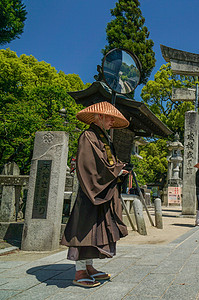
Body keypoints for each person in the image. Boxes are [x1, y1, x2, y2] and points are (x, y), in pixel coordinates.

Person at [61, 101, 130, 288]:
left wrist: (117, 170)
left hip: (103, 191)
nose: (112, 122)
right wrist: (115, 170)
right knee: (85, 229)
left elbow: (107, 163)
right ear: (99, 116)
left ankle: (89, 266)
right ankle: (80, 270)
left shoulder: (102, 137)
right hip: (92, 191)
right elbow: (90, 167)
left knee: (96, 231)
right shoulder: (88, 136)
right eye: (110, 118)